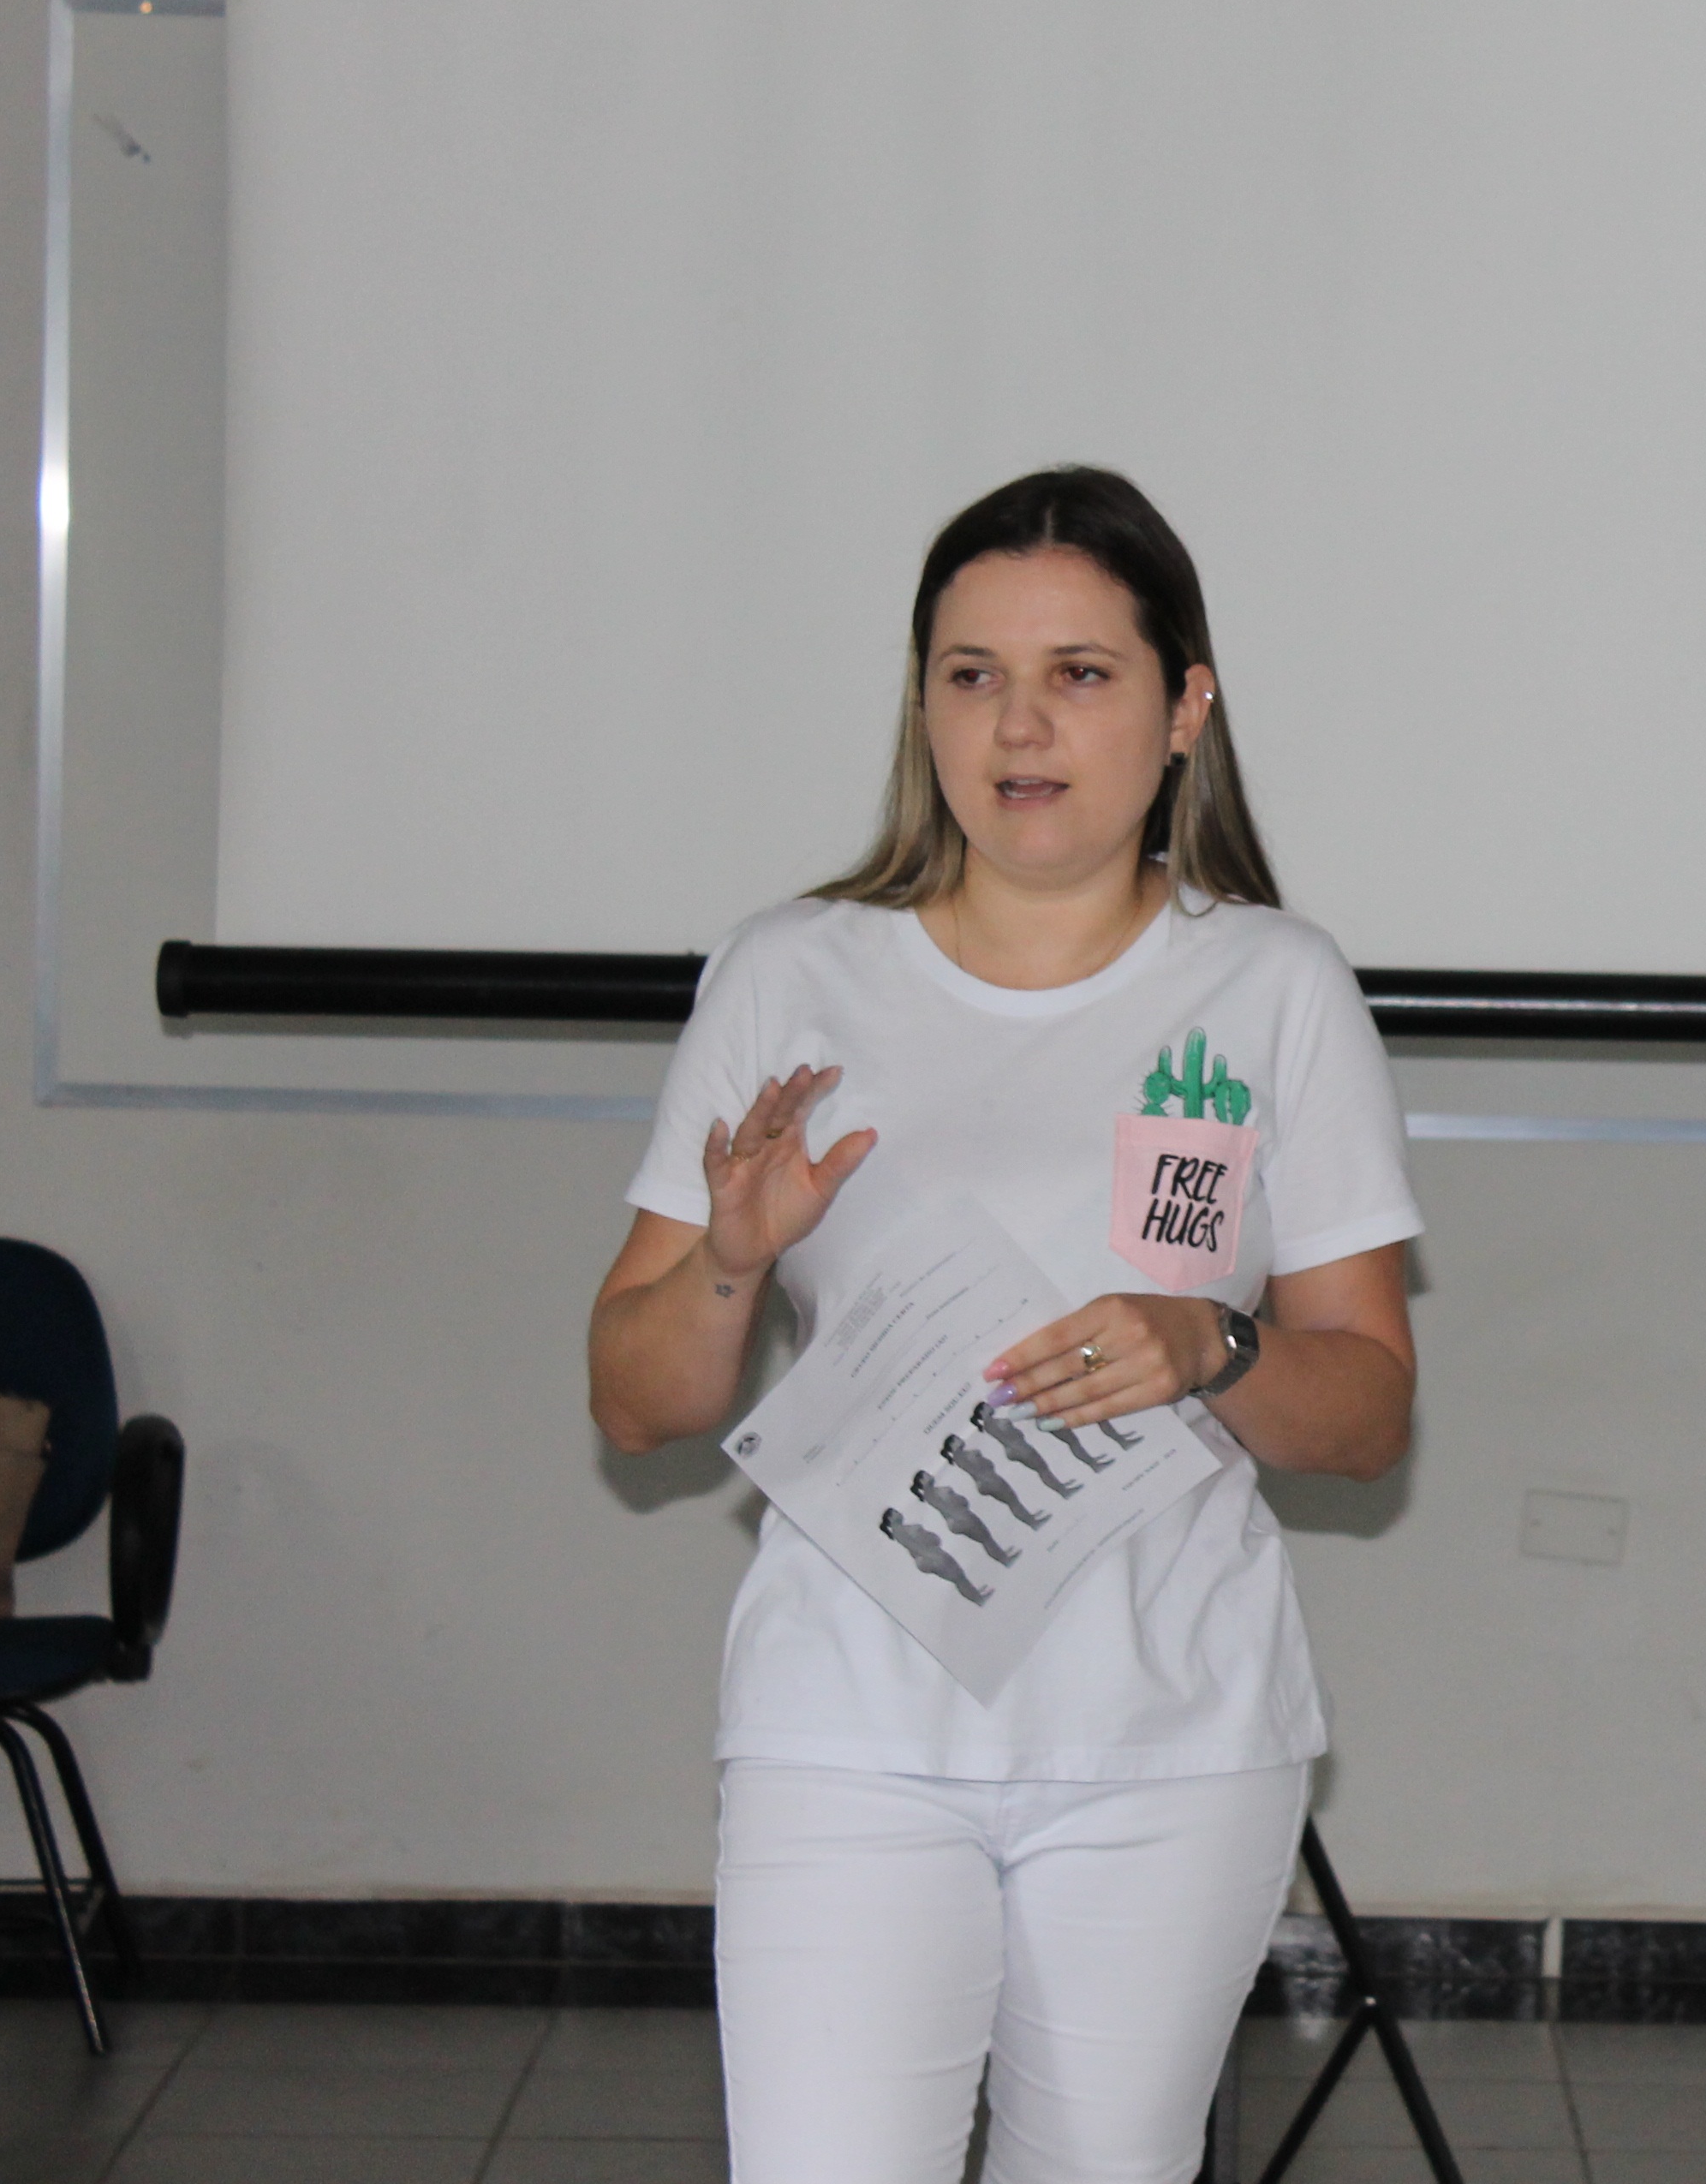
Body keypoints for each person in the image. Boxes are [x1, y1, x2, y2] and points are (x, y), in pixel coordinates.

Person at [588, 467, 1423, 2184]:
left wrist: (1215, 1349)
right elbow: (634, 1401)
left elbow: (1369, 1416)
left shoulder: (1274, 985)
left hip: (1168, 1745)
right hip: (845, 1728)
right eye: (971, 674)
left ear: (1183, 708)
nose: (1019, 724)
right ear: (923, 706)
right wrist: (731, 1260)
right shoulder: (790, 973)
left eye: (1080, 674)